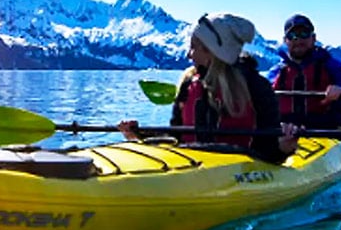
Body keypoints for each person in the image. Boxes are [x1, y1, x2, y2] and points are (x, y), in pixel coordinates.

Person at [120, 13, 297, 164]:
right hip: (193, 167)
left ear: (212, 52)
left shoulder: (257, 87)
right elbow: (177, 135)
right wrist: (140, 134)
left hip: (238, 172)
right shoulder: (189, 83)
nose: (189, 54)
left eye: (193, 47)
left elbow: (270, 151)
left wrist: (283, 147)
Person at [266, 13, 341, 129]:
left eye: (304, 34)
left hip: (326, 134)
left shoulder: (333, 67)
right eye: (292, 35)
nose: (298, 39)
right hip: (286, 134)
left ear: (313, 38)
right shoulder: (275, 73)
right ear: (285, 40)